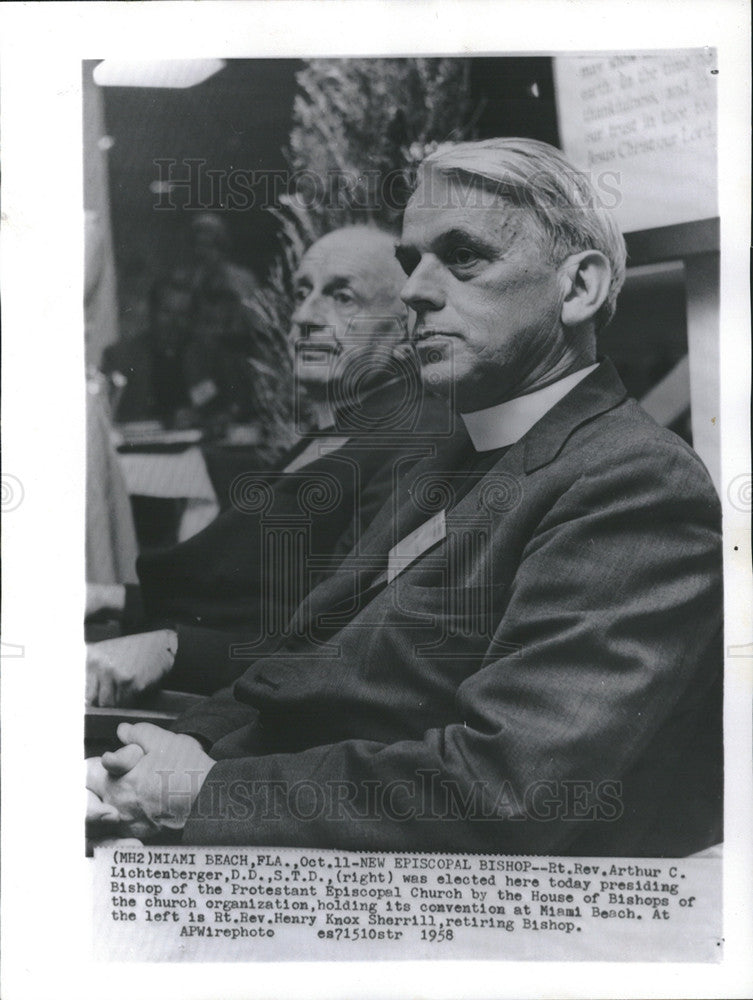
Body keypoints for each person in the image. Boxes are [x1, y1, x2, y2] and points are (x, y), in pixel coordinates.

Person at [87, 138, 722, 857]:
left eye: (463, 258)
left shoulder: (634, 483)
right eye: (411, 261)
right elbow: (304, 659)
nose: (417, 290)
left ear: (577, 289)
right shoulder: (458, 451)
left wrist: (196, 791)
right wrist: (172, 749)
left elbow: (505, 789)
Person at [86, 226, 449, 705]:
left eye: (342, 297)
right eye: (302, 293)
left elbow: (343, 641)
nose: (302, 316)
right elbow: (251, 598)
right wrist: (111, 598)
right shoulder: (344, 428)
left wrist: (175, 648)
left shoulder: (418, 440)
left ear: (408, 329)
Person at [100, 273, 195, 425]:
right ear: (152, 312)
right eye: (167, 312)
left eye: (182, 315)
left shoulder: (201, 355)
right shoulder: (121, 357)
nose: (174, 322)